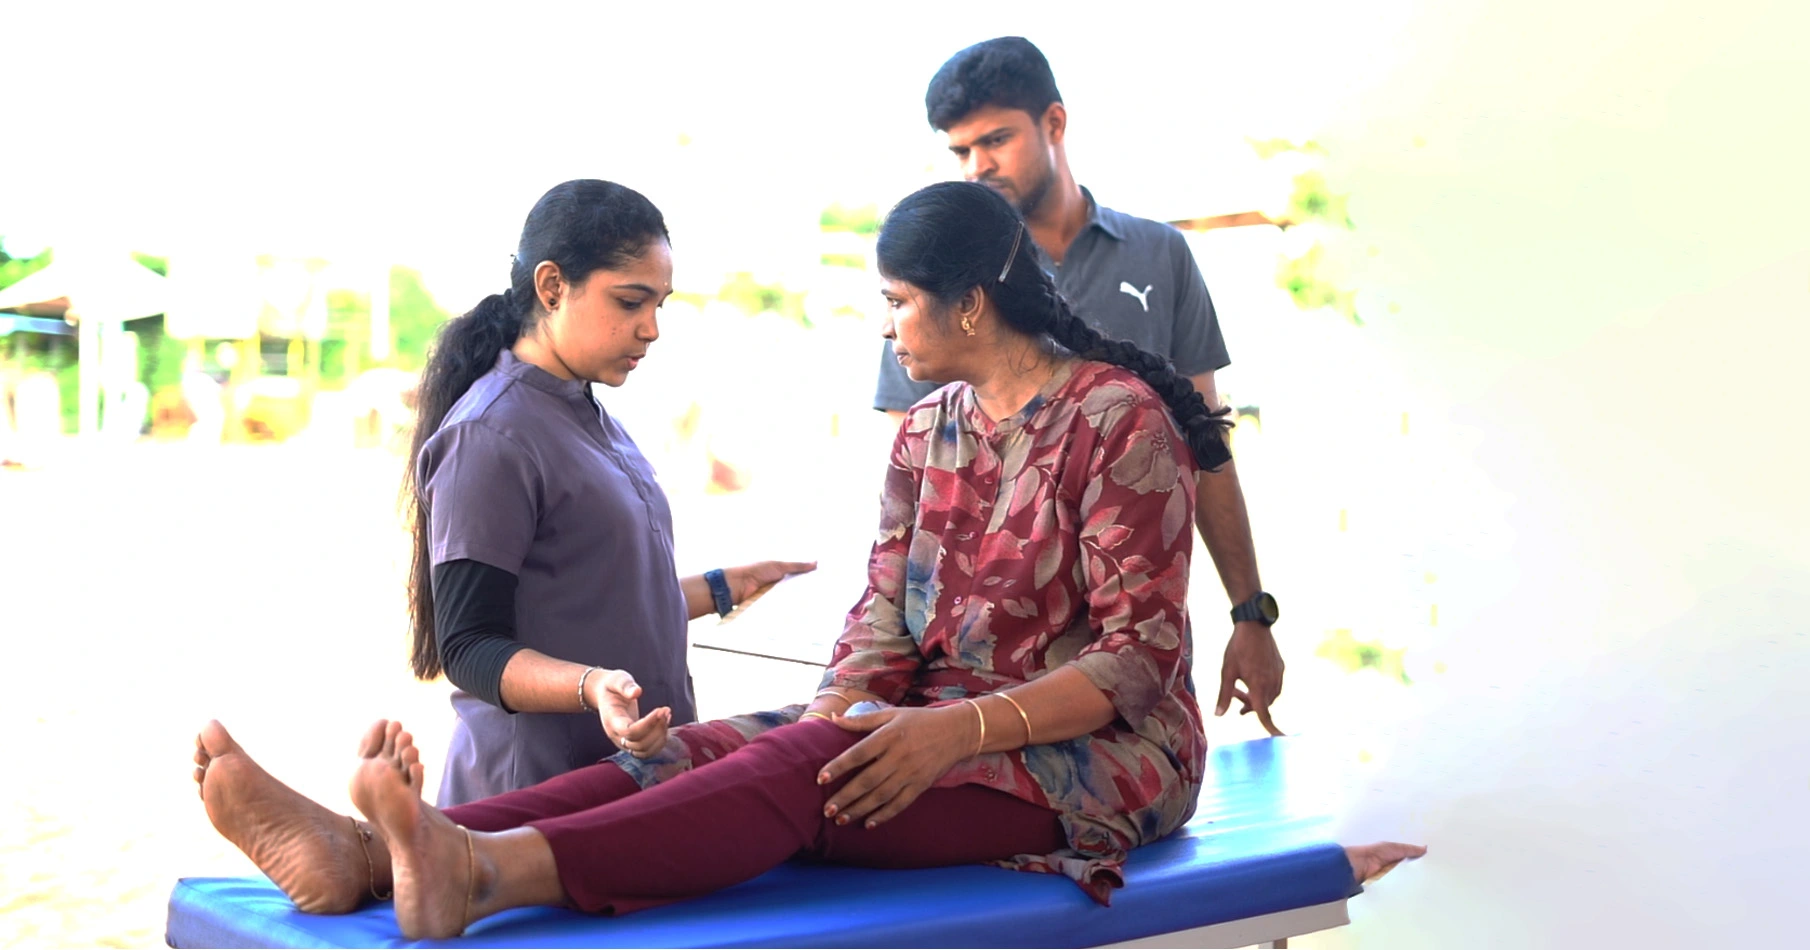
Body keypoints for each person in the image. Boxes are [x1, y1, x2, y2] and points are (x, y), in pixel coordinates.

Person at [193, 181, 1423, 936]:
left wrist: (961, 729)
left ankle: (483, 869)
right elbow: (883, 617)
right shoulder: (928, 434)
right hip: (941, 727)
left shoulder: (1117, 426)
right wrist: (848, 703)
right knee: (732, 741)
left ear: (970, 305)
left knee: (809, 768)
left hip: (1103, 770)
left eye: (897, 302)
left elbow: (1141, 663)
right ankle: (368, 857)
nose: (887, 325)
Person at [874, 37, 1288, 734]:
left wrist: (1250, 612)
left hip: (1123, 664)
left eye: (996, 140)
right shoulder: (940, 276)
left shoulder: (1159, 254)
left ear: (1054, 124)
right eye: (960, 152)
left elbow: (1207, 441)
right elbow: (920, 501)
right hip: (972, 687)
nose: (979, 166)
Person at [398, 178, 814, 808]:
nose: (650, 329)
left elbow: (593, 597)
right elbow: (470, 646)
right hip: (532, 794)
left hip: (625, 777)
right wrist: (591, 687)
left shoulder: (590, 413)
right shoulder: (491, 435)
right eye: (629, 302)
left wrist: (723, 586)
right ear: (552, 287)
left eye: (659, 305)